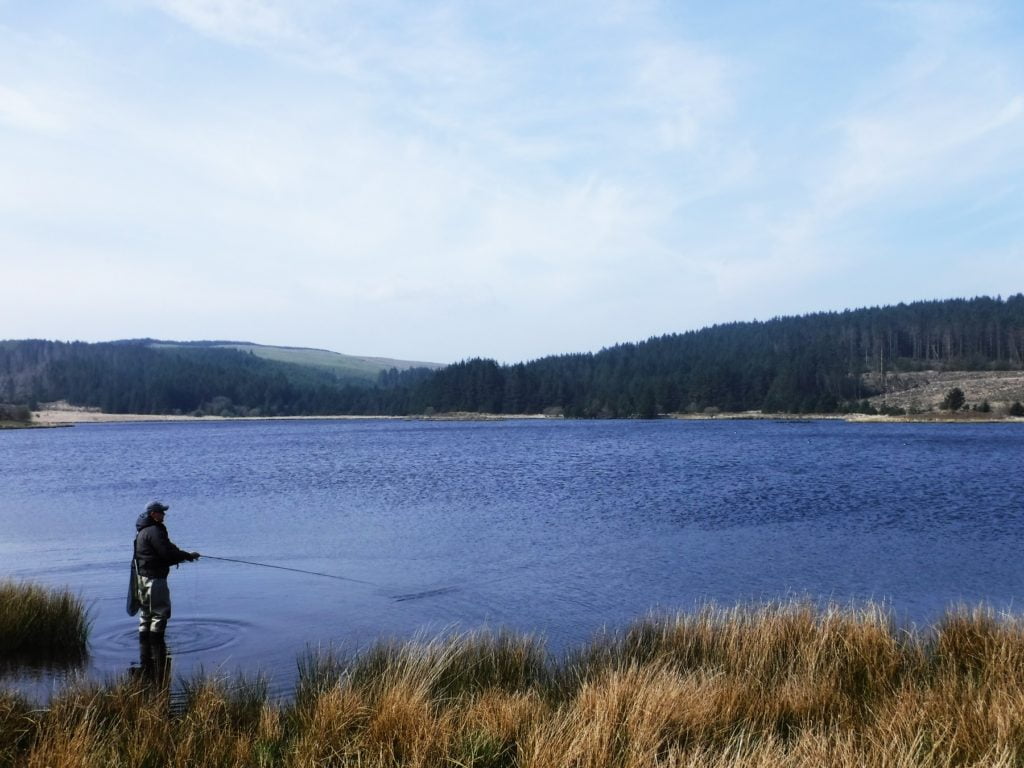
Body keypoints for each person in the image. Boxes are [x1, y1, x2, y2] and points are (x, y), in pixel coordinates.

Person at [134, 501, 200, 637]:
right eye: (161, 512)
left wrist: (186, 555)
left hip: (142, 578)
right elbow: (167, 553)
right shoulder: (155, 531)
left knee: (146, 613)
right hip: (155, 579)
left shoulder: (143, 530)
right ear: (153, 514)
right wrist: (188, 556)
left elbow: (168, 548)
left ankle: (145, 648)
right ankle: (157, 647)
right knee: (159, 613)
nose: (164, 514)